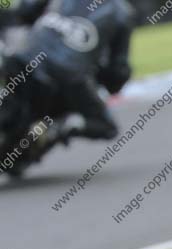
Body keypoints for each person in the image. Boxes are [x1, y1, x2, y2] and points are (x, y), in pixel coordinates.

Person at [1, 0, 135, 146]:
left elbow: (25, 11)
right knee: (107, 127)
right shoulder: (122, 12)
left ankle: (46, 131)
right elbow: (118, 71)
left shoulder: (121, 13)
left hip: (24, 59)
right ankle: (61, 129)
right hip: (68, 79)